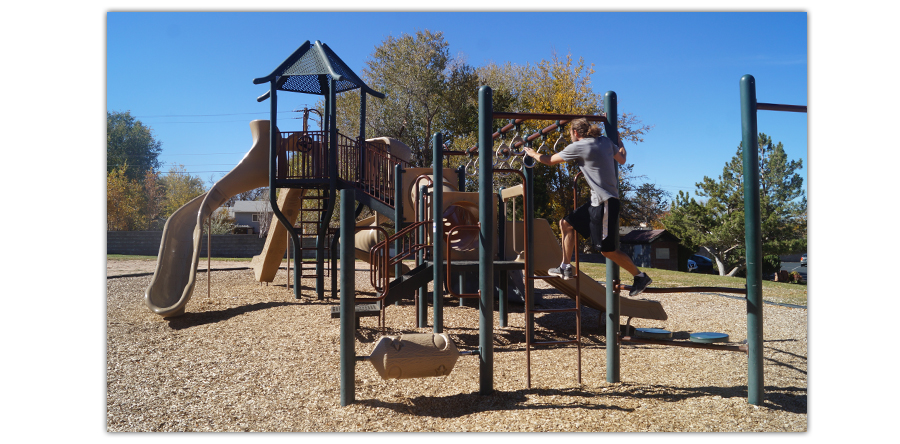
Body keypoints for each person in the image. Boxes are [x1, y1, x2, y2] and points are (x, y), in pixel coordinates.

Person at [523, 118, 652, 297]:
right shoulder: (606, 141)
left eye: (570, 134)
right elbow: (622, 159)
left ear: (575, 133)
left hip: (606, 202)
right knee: (566, 223)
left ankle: (640, 276)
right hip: (596, 201)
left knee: (607, 250)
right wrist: (619, 140)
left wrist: (533, 154)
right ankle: (565, 266)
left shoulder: (578, 146)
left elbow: (550, 160)